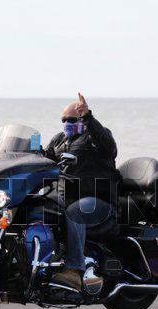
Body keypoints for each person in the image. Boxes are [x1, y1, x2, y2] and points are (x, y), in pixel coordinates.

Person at [44, 93, 121, 290]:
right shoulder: (59, 140)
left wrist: (88, 117)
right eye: (64, 120)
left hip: (98, 201)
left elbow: (109, 148)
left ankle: (74, 270)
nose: (67, 124)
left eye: (72, 120)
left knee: (75, 212)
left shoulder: (95, 137)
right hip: (67, 198)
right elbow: (44, 161)